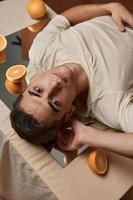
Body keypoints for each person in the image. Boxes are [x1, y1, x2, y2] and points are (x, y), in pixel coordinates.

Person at [10, 2, 133, 157]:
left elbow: (65, 18)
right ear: (68, 112)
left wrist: (109, 8)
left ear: (31, 82)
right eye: (55, 102)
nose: (54, 84)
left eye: (37, 90)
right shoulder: (109, 103)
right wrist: (87, 135)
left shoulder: (41, 51)